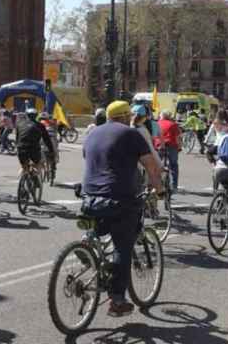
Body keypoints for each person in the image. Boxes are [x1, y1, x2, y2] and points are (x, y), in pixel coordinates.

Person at [80, 100, 164, 318]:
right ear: (127, 117)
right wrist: (160, 189)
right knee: (122, 246)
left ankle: (88, 242)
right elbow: (151, 166)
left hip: (89, 197)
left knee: (99, 225)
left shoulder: (92, 133)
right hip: (119, 198)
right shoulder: (131, 134)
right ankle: (117, 300)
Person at [15, 108, 56, 175]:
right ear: (36, 116)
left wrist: (18, 148)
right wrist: (51, 151)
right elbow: (47, 140)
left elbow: (17, 139)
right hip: (34, 150)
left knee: (24, 166)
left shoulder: (19, 124)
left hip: (21, 149)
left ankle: (23, 173)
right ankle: (35, 179)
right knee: (37, 167)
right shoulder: (40, 125)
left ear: (26, 115)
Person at [156, 110, 180, 191]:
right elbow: (177, 138)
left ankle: (156, 184)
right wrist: (179, 147)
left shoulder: (157, 123)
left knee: (157, 164)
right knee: (174, 165)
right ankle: (174, 185)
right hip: (172, 145)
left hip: (159, 146)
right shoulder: (173, 124)